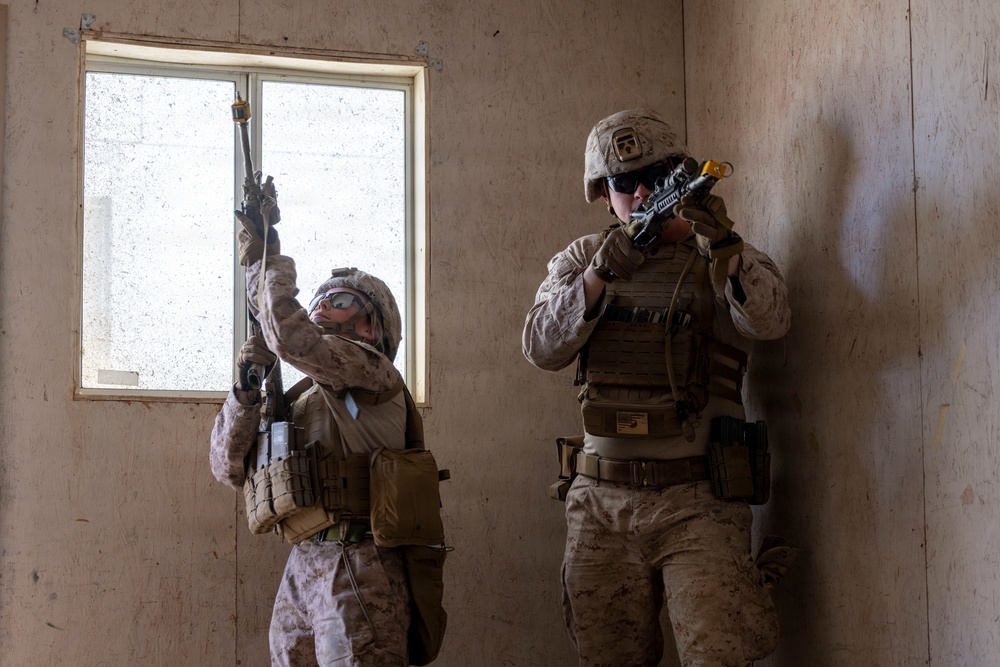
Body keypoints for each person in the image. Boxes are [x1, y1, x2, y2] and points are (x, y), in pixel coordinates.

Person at [522, 108, 795, 667]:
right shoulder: (581, 259)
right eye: (625, 182)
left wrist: (726, 249)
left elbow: (771, 321)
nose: (642, 191)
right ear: (605, 193)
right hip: (601, 506)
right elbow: (541, 347)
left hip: (700, 504)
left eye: (657, 174)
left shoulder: (715, 252)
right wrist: (601, 275)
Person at [209, 210, 412, 667]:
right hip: (305, 565)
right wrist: (246, 387)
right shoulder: (303, 396)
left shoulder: (370, 368)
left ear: (370, 326)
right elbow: (227, 466)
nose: (321, 303)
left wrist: (267, 264)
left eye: (339, 298)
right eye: (318, 296)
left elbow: (290, 335)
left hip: (358, 561)